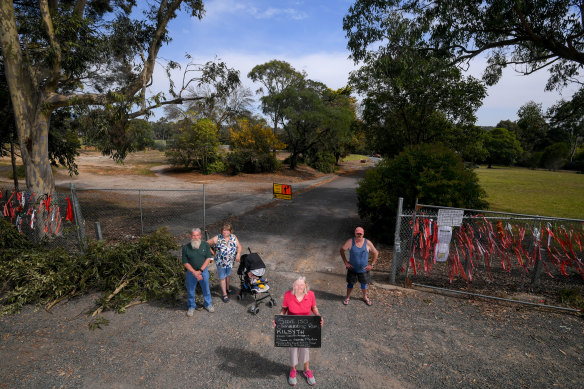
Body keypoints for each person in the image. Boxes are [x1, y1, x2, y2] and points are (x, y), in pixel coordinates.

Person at [274, 276, 323, 386]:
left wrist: (318, 316)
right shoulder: (288, 295)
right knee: (292, 350)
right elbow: (284, 309)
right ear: (293, 285)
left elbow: (314, 308)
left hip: (306, 327)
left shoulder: (311, 295)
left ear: (305, 285)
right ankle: (293, 370)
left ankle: (306, 370)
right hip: (292, 327)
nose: (299, 287)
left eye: (301, 285)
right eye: (296, 285)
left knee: (305, 349)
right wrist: (279, 318)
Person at [340, 226, 379, 306]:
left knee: (364, 284)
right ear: (355, 233)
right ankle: (347, 297)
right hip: (352, 269)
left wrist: (372, 265)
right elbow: (342, 250)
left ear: (363, 234)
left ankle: (365, 297)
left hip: (363, 269)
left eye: (360, 234)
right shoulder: (350, 242)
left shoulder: (367, 242)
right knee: (350, 284)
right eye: (357, 233)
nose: (359, 235)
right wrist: (346, 262)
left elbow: (376, 253)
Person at [183, 228, 214, 316]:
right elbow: (185, 262)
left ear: (200, 236)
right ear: (191, 236)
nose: (195, 237)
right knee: (191, 290)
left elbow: (208, 258)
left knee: (206, 289)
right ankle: (191, 306)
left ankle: (208, 304)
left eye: (197, 235)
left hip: (203, 272)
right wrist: (194, 272)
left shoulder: (205, 245)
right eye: (193, 235)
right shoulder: (186, 248)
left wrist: (200, 271)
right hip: (191, 273)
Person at [207, 223, 242, 303]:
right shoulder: (218, 238)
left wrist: (238, 254)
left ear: (230, 231)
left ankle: (227, 289)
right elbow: (206, 244)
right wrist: (213, 253)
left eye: (227, 230)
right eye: (224, 230)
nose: (225, 232)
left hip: (230, 262)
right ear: (221, 231)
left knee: (228, 275)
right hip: (221, 263)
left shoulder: (233, 237)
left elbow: (239, 246)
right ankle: (224, 294)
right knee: (222, 277)